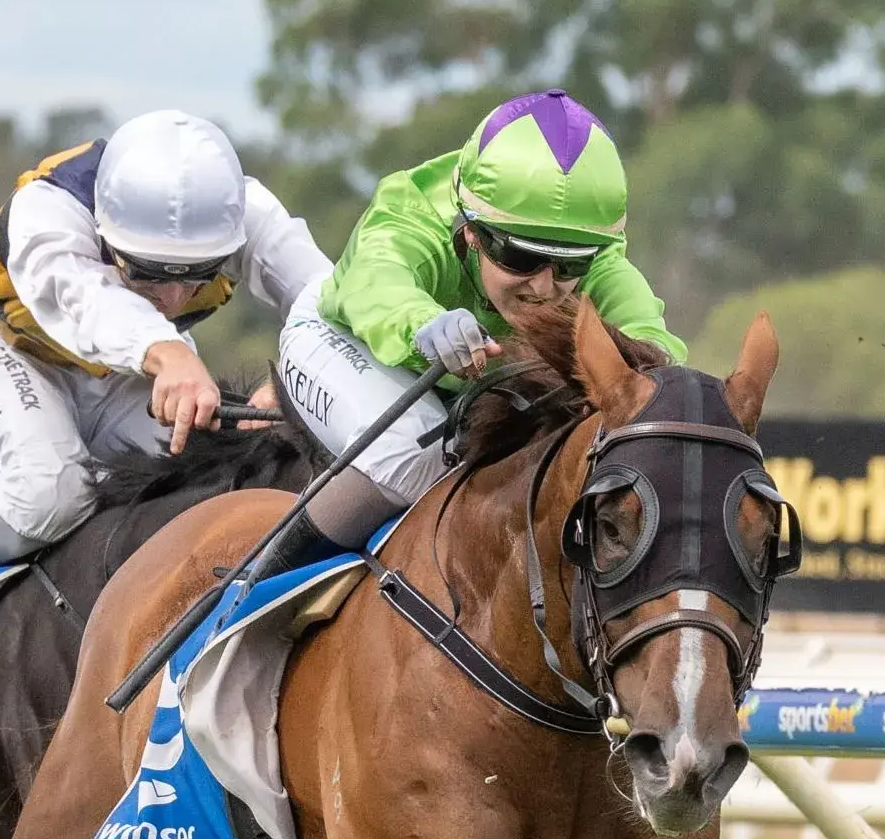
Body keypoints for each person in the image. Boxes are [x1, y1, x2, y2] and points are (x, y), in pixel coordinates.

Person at [0, 110, 332, 750]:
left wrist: (301, 364)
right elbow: (88, 301)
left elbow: (322, 294)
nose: (171, 297)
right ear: (106, 231)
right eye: (148, 272)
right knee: (51, 492)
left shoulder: (248, 212)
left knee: (223, 473)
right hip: (13, 354)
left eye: (196, 275)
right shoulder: (45, 213)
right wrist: (168, 354)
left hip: (120, 374)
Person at [256, 88, 684, 587]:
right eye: (520, 259)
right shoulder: (410, 211)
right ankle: (250, 598)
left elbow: (655, 355)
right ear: (472, 232)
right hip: (348, 338)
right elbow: (378, 282)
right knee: (415, 453)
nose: (545, 286)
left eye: (569, 263)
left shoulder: (600, 259)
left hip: (463, 386)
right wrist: (422, 323)